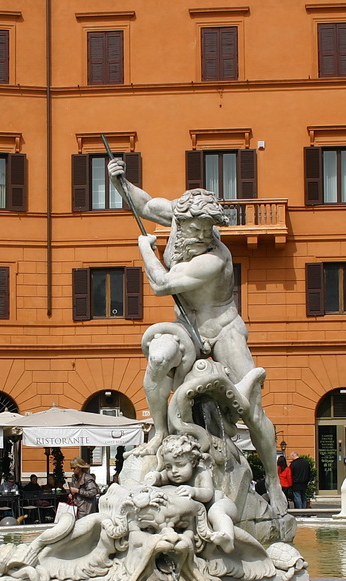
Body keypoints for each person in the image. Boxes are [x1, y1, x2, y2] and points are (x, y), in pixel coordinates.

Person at [108, 157, 286, 515]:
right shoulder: (174, 215)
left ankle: (272, 481)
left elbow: (161, 284)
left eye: (210, 229)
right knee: (158, 357)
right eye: (200, 229)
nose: (206, 236)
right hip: (185, 326)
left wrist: (146, 250)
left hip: (223, 327)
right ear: (181, 219)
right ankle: (159, 432)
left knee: (252, 409)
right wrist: (120, 182)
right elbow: (143, 204)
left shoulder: (214, 258)